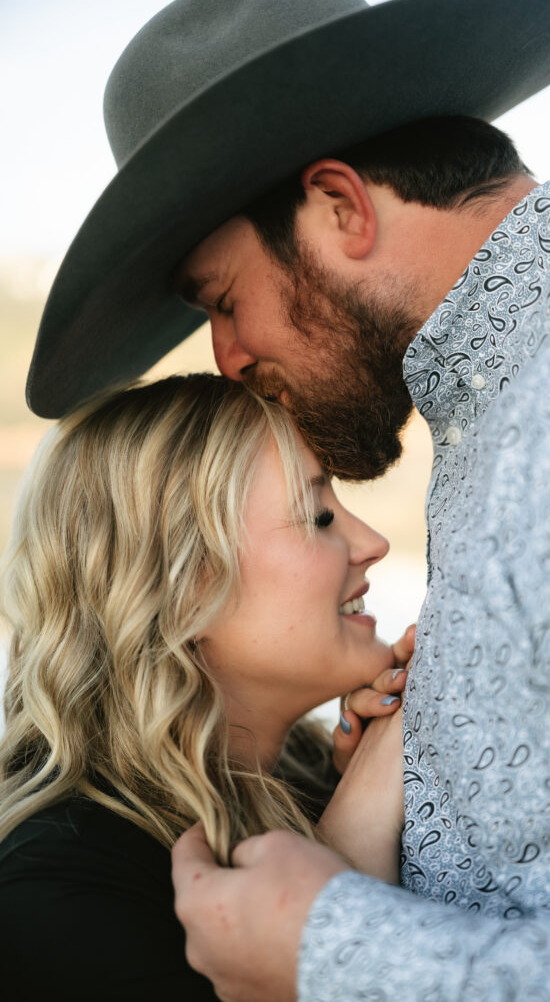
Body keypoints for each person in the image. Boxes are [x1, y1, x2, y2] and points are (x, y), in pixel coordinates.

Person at [23, 0, 550, 1000]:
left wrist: (334, 949)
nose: (226, 357)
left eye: (222, 299)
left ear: (340, 208)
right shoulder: (526, 396)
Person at [0, 373, 414, 1001]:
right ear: (184, 587)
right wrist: (361, 821)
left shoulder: (315, 777)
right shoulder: (59, 887)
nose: (373, 543)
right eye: (319, 515)